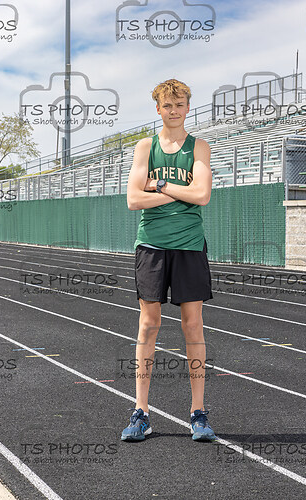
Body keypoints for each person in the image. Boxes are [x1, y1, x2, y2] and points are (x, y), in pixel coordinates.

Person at [121, 78, 215, 442]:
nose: (173, 111)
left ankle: (198, 412)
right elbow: (133, 199)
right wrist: (180, 193)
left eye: (179, 105)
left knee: (193, 325)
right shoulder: (145, 147)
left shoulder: (199, 147)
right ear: (158, 109)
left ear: (187, 108)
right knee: (148, 325)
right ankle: (141, 412)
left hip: (189, 245)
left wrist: (158, 186)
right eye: (167, 105)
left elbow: (202, 194)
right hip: (152, 245)